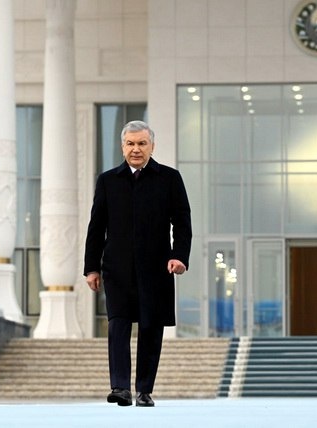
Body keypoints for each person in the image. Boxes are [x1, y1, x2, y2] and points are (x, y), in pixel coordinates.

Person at [83, 120, 192, 407]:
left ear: (152, 146)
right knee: (117, 325)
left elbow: (182, 222)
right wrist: (92, 267)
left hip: (156, 268)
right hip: (116, 269)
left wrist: (179, 256)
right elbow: (96, 227)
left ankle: (144, 390)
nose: (136, 149)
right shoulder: (108, 181)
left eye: (142, 143)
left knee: (150, 327)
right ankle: (120, 387)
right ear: (122, 147)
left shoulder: (169, 179)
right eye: (130, 144)